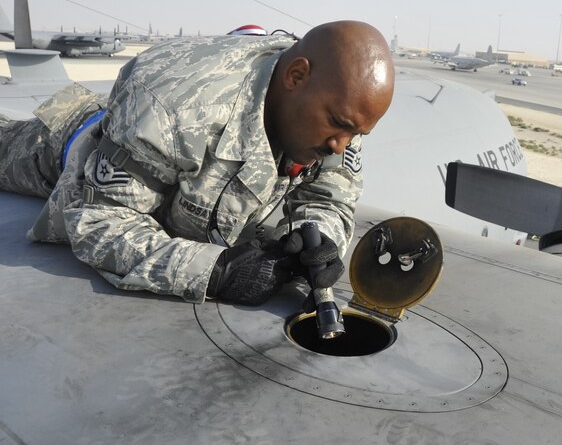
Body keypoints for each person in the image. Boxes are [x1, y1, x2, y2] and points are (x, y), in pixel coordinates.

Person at [0, 20, 395, 307]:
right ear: (296, 76)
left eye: (356, 134)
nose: (339, 145)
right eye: (340, 127)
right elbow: (100, 222)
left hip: (149, 132)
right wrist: (216, 270)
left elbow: (330, 198)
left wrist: (317, 235)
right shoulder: (173, 109)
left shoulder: (340, 117)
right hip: (71, 141)